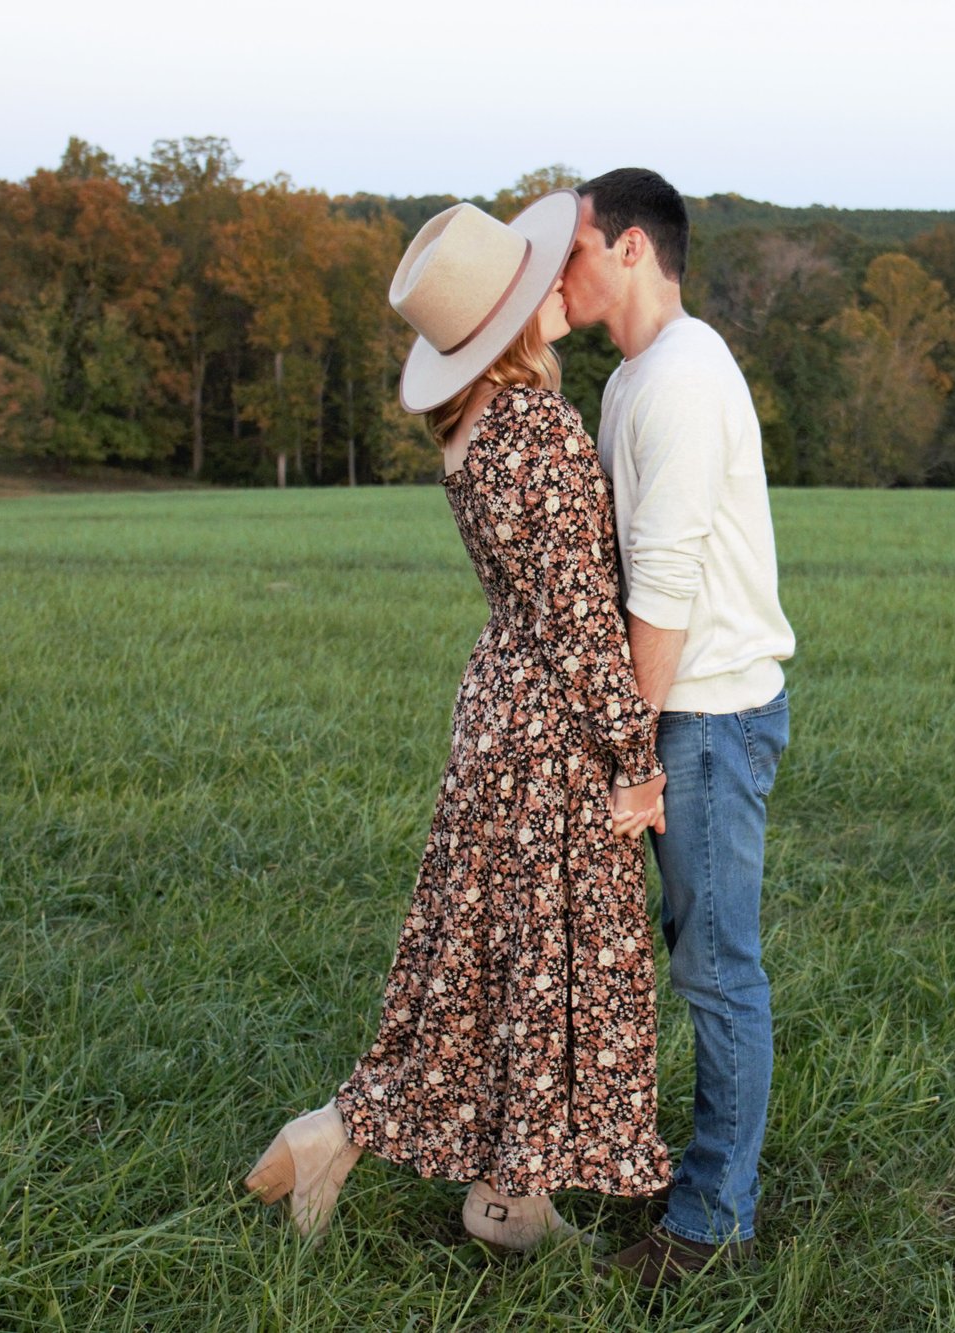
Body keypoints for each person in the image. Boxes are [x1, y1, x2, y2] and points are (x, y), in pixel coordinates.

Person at [243, 191, 675, 1255]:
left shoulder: (475, 421)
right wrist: (634, 758)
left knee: (492, 955)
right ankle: (349, 1136)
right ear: (520, 311)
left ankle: (502, 1200)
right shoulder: (537, 426)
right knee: (548, 957)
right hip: (548, 729)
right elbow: (580, 619)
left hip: (497, 710)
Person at [559, 167, 796, 1291]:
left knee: (716, 969)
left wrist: (633, 755)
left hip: (704, 716)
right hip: (678, 711)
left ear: (631, 250)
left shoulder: (681, 381)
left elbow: (661, 585)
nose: (559, 270)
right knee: (687, 956)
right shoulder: (633, 378)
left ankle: (710, 1222)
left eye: (574, 248)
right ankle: (683, 1171)